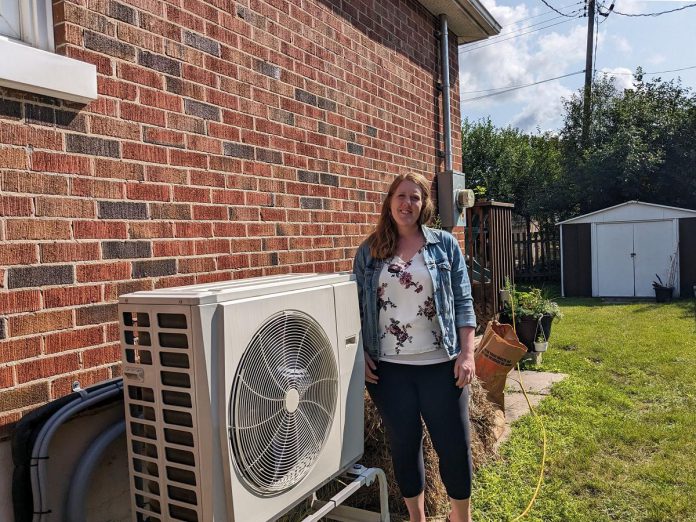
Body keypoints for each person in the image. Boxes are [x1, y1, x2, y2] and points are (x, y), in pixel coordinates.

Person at [353, 172, 477, 522]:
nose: (407, 203)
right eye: (401, 196)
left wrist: (467, 354)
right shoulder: (369, 250)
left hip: (442, 365)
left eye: (415, 197)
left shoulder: (444, 245)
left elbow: (464, 301)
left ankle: (460, 517)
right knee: (405, 447)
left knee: (454, 447)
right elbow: (357, 309)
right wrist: (360, 352)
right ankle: (416, 518)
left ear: (425, 205)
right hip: (388, 371)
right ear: (389, 201)